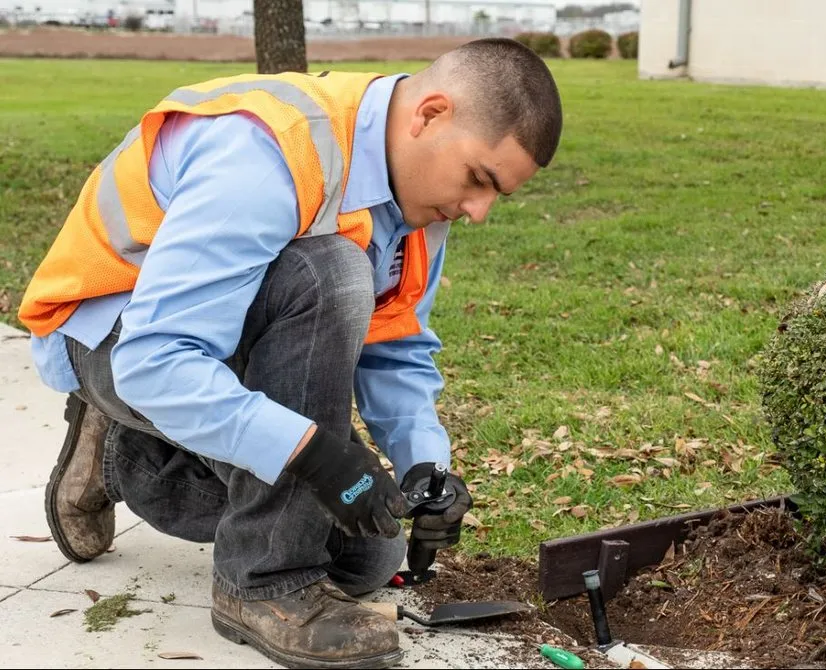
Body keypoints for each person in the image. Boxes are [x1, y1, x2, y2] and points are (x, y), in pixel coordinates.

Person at [17, 38, 562, 669]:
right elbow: (154, 361)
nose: (478, 211)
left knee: (367, 555)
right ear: (430, 114)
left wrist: (425, 466)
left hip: (213, 340)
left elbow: (396, 341)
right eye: (478, 180)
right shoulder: (266, 153)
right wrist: (312, 454)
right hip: (112, 337)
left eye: (497, 194)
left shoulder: (420, 196)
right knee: (331, 272)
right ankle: (264, 585)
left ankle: (118, 456)